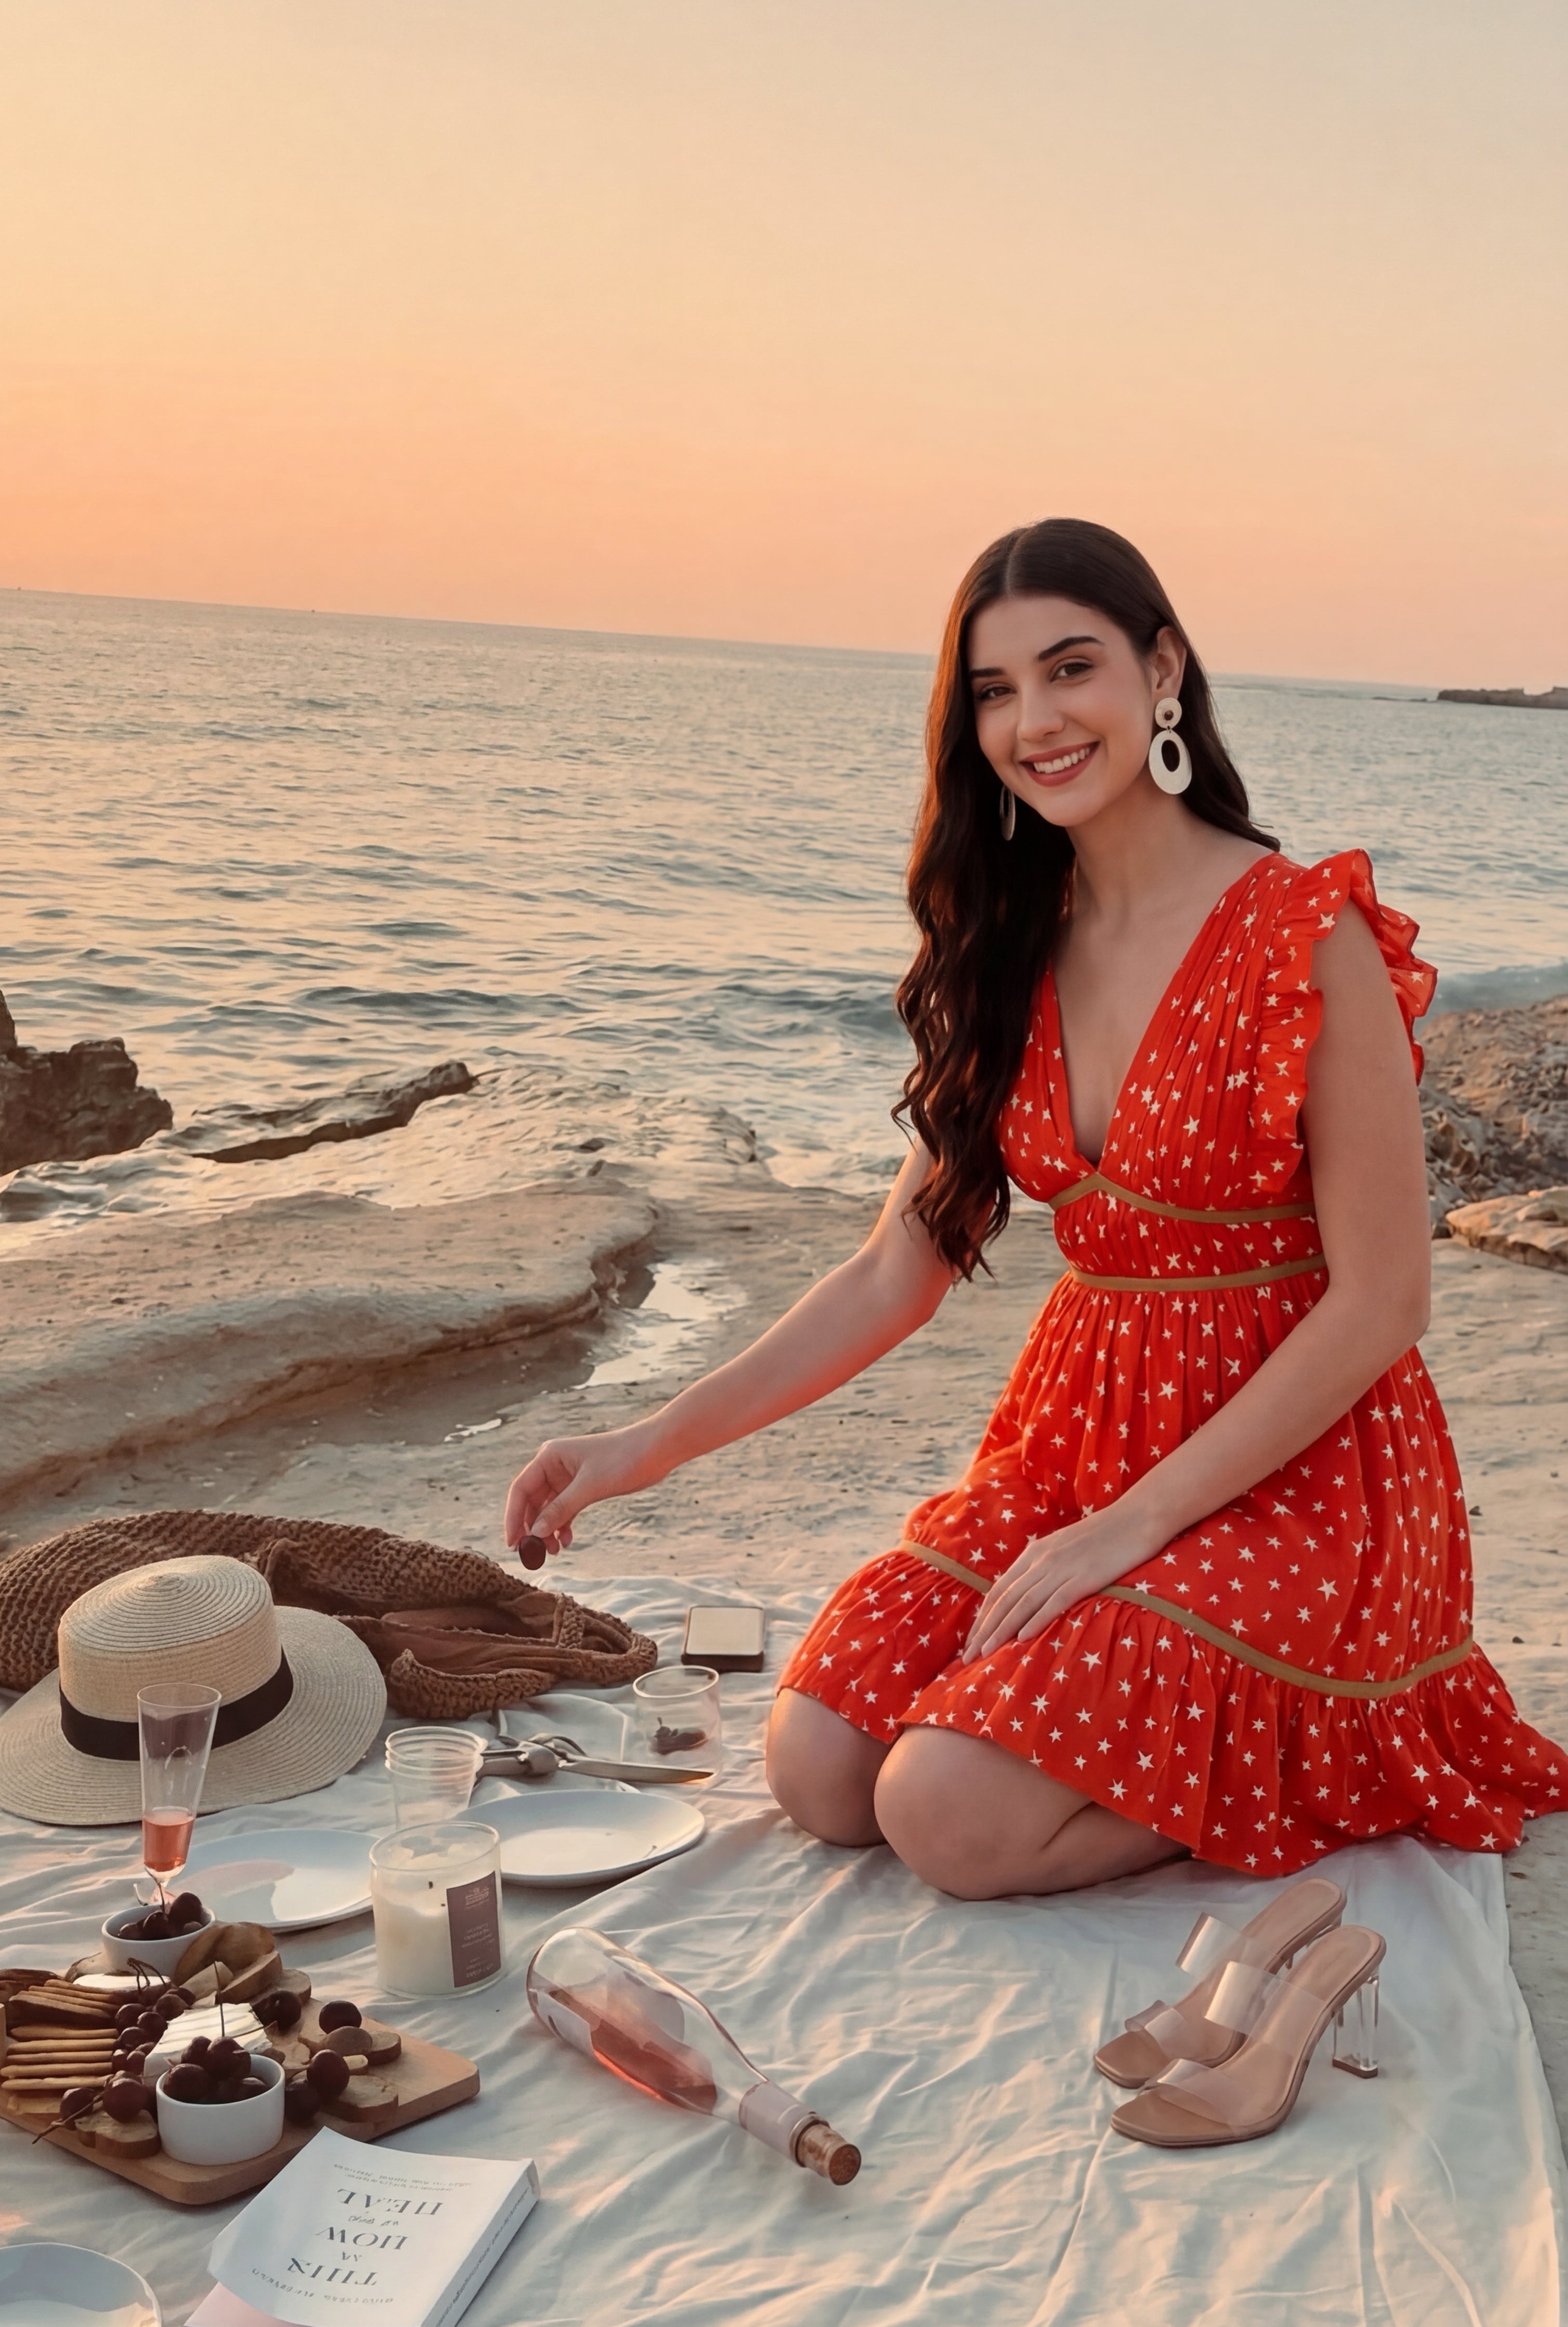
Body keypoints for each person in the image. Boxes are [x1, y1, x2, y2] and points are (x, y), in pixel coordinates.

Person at [505, 517, 1567, 1899]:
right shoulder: (1013, 943)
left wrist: (1129, 1532)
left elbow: (1387, 1299)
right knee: (821, 1767)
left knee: (943, 1813)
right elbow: (899, 1266)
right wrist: (640, 1446)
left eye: (1071, 669)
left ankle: (1347, 1740)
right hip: (1079, 1450)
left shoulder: (1308, 934)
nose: (1037, 720)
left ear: (1162, 668)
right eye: (996, 691)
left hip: (1307, 1484)